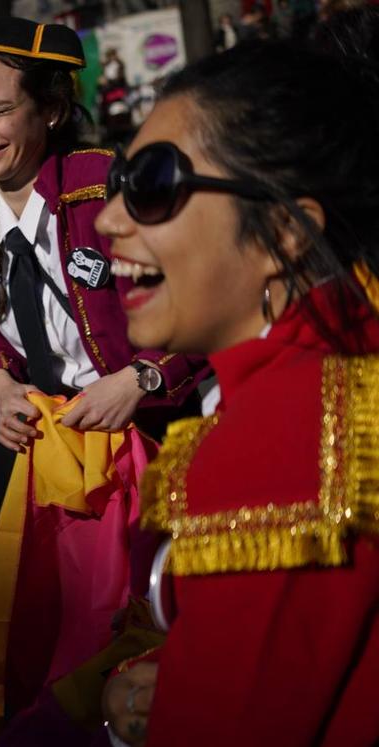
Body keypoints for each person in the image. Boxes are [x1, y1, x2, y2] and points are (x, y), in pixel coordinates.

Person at [0, 17, 206, 736]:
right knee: (76, 628)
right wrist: (1, 390)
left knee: (168, 619)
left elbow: (209, 301)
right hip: (64, 456)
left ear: (49, 108)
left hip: (163, 439)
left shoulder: (107, 183)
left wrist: (139, 378)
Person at [97, 42, 379, 747]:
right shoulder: (345, 368)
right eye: (119, 180)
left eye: (153, 184)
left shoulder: (283, 433)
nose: (108, 219)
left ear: (283, 231)